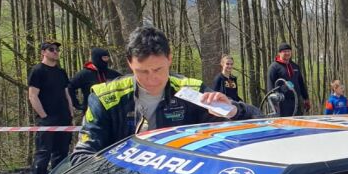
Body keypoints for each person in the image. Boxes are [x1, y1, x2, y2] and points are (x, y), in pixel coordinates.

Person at [72, 25, 262, 162]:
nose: (151, 78)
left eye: (158, 69)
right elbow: (82, 156)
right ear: (129, 63)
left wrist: (232, 110)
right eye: (142, 71)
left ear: (169, 59)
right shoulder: (105, 97)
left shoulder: (191, 91)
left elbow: (258, 121)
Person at [28, 39, 75, 174]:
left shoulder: (61, 72)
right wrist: (44, 116)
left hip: (64, 117)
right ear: (43, 52)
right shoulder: (38, 71)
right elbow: (33, 96)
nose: (55, 52)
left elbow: (66, 93)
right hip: (47, 119)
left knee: (62, 153)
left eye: (57, 50)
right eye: (51, 49)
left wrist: (70, 111)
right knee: (43, 152)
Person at [68, 47, 121, 113]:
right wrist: (77, 105)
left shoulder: (113, 74)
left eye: (107, 58)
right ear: (97, 58)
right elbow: (69, 87)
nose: (106, 61)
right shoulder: (84, 74)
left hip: (112, 112)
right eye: (104, 58)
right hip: (91, 112)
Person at [266, 43, 310, 117]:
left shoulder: (295, 66)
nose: (287, 53)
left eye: (288, 51)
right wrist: (274, 104)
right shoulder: (274, 67)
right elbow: (270, 86)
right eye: (284, 51)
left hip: (296, 101)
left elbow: (301, 83)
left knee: (297, 121)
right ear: (279, 53)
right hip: (282, 103)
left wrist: (306, 98)